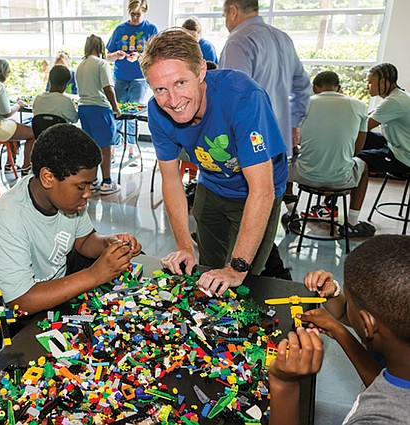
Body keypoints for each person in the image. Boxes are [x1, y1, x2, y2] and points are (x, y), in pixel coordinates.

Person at [140, 28, 287, 295]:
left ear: (200, 72)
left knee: (240, 279)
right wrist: (184, 246)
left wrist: (237, 267)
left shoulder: (243, 97)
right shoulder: (156, 111)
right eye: (160, 89)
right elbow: (171, 181)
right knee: (207, 270)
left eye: (180, 83)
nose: (172, 101)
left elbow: (262, 190)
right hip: (211, 184)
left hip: (256, 191)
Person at [0, 124, 141, 315]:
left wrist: (109, 243)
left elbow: (85, 240)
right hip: (13, 310)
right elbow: (21, 301)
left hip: (56, 287)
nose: (88, 194)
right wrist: (94, 275)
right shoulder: (6, 220)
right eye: (81, 187)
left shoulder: (68, 202)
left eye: (90, 185)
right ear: (47, 177)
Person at [268, 235, 410, 425]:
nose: (345, 302)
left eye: (349, 301)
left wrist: (284, 385)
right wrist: (338, 324)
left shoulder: (378, 418)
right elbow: (385, 383)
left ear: (368, 324)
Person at [287, 71, 375, 237]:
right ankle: (352, 223)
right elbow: (357, 149)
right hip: (341, 179)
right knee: (363, 167)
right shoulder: (360, 106)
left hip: (305, 176)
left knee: (280, 164)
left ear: (314, 88)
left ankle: (292, 213)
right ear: (339, 88)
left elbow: (289, 143)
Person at [219, 0, 311, 156]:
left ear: (233, 11)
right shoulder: (283, 38)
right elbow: (303, 86)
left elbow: (232, 97)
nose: (225, 22)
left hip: (251, 143)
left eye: (224, 16)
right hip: (280, 140)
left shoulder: (238, 41)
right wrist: (294, 123)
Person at [107, 0, 158, 164]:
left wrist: (139, 56)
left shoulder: (151, 30)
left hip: (139, 79)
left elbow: (156, 56)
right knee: (118, 113)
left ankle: (131, 149)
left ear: (144, 11)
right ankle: (114, 149)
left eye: (138, 14)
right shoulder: (120, 29)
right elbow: (106, 56)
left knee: (133, 116)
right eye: (132, 14)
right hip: (120, 77)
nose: (135, 18)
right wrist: (117, 55)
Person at [76, 35, 122, 195]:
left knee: (92, 147)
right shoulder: (101, 64)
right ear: (100, 47)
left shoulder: (80, 65)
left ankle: (93, 180)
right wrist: (116, 107)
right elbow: (108, 88)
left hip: (84, 109)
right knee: (106, 147)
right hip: (99, 109)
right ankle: (107, 182)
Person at [357, 63, 410, 176]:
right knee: (363, 138)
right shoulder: (397, 95)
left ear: (382, 81)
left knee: (355, 160)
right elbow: (367, 117)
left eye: (370, 82)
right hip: (394, 145)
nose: (367, 86)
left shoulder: (394, 101)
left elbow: (364, 126)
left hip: (403, 157)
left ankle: (335, 186)